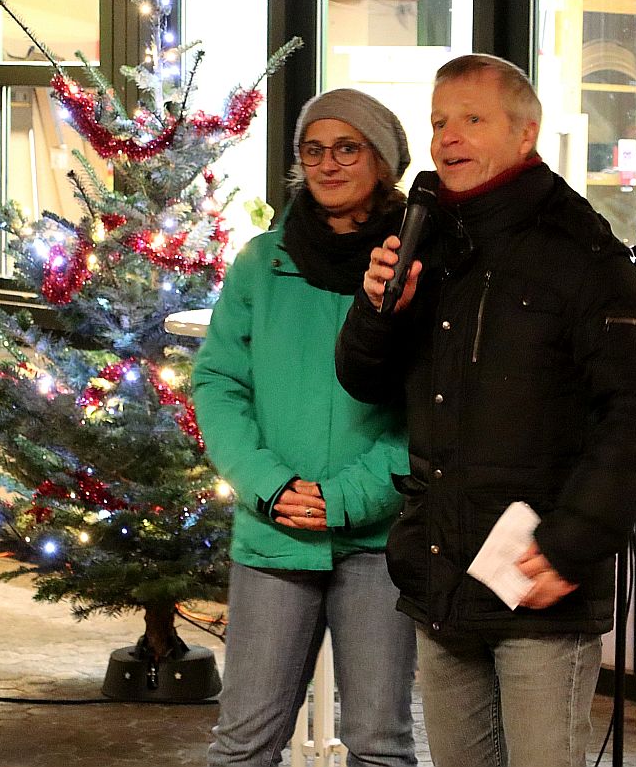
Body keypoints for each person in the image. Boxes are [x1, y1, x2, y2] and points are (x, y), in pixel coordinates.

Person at [335, 54, 636, 767]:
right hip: (441, 574)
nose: (446, 138)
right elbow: (364, 381)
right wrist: (375, 312)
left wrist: (569, 543)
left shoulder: (583, 253)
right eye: (437, 122)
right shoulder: (427, 238)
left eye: (471, 119)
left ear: (526, 134)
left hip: (536, 580)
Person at [193, 88, 418, 767]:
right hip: (273, 532)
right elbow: (218, 384)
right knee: (243, 744)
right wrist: (270, 485)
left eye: (347, 147)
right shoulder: (262, 263)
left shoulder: (416, 272)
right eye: (313, 150)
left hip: (379, 539)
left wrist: (347, 497)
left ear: (382, 160)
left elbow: (429, 408)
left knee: (380, 742)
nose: (328, 163)